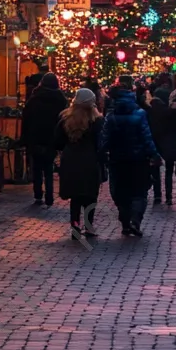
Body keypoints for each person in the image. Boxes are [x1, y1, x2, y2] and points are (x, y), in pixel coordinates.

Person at [99, 75, 162, 236]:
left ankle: (125, 221)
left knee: (120, 191)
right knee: (139, 192)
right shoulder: (140, 114)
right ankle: (135, 219)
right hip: (138, 159)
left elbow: (105, 139)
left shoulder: (111, 116)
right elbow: (146, 136)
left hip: (117, 160)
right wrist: (153, 154)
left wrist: (102, 153)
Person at [54, 88, 104, 239]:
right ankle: (89, 227)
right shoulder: (97, 121)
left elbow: (57, 141)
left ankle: (75, 224)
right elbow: (100, 143)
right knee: (90, 196)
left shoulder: (65, 118)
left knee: (75, 197)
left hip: (71, 160)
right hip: (90, 160)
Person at [19, 72, 67, 206]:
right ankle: (50, 196)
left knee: (37, 168)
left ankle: (38, 195)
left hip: (35, 137)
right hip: (52, 138)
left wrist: (24, 138)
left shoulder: (34, 99)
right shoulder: (61, 99)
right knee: (48, 169)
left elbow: (26, 119)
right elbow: (63, 120)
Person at [147, 77, 172, 203]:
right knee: (169, 168)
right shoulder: (167, 111)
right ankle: (169, 195)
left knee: (155, 169)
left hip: (153, 141)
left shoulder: (149, 110)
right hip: (166, 141)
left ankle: (157, 194)